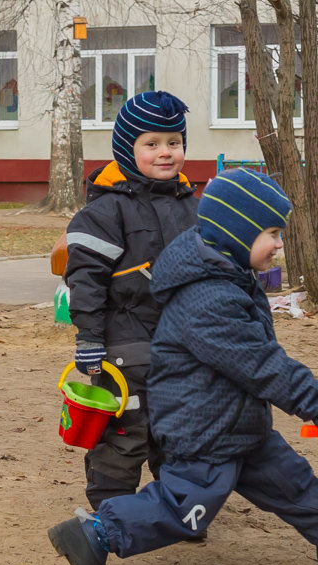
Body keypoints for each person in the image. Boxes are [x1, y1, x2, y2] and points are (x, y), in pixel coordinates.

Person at [48, 168, 318, 565]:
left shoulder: (228, 275)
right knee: (185, 505)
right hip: (204, 427)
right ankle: (94, 535)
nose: (279, 243)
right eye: (270, 232)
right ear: (238, 232)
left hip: (236, 420)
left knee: (290, 479)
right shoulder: (209, 297)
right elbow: (262, 364)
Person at [65, 90, 199, 510]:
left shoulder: (191, 206)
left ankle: (182, 508)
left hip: (183, 344)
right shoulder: (105, 212)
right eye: (152, 144)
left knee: (180, 430)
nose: (165, 153)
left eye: (173, 143)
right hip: (125, 344)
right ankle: (109, 513)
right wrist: (89, 338)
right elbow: (86, 279)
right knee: (125, 431)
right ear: (128, 148)